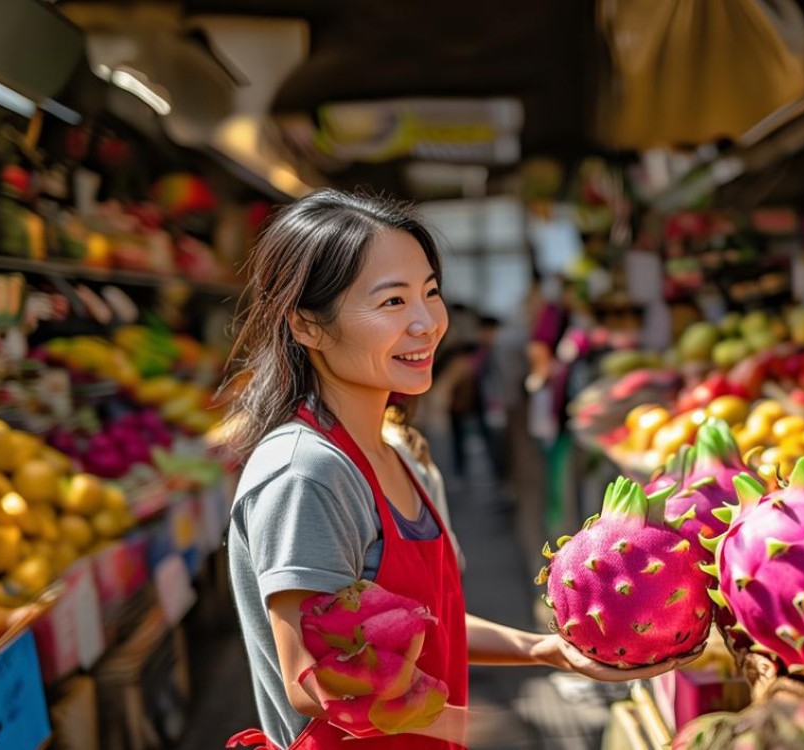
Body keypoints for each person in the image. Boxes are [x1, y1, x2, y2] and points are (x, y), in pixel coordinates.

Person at [219, 189, 696, 750]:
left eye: (430, 292)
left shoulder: (398, 451)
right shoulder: (306, 474)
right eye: (392, 302)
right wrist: (472, 726)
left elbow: (425, 630)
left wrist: (543, 650)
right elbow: (313, 678)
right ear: (307, 325)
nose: (427, 322)